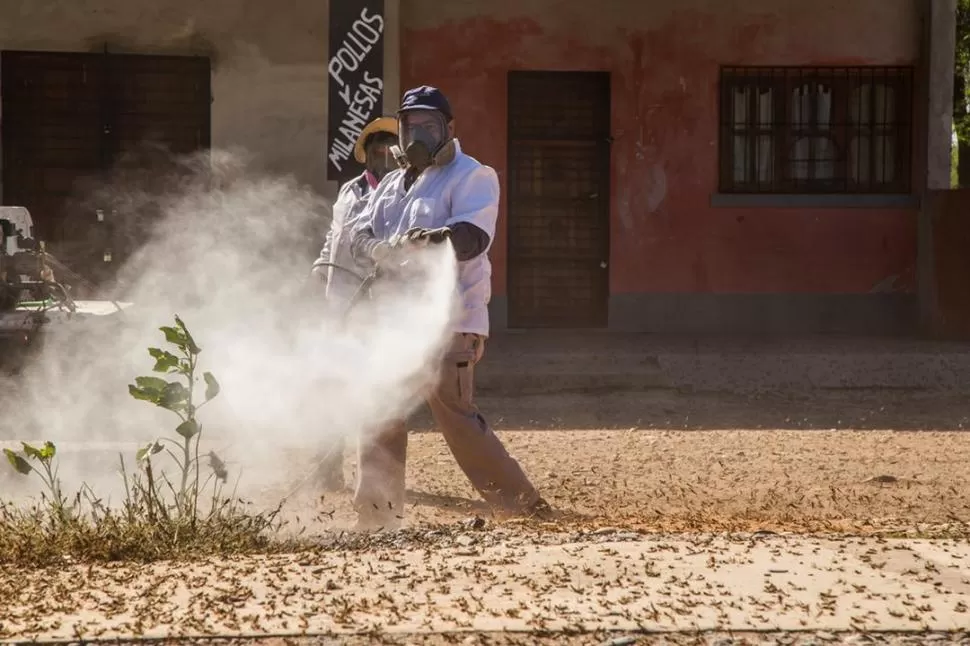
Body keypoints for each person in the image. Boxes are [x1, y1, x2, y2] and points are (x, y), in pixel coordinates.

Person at [349, 85, 551, 529]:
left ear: (449, 129)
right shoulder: (391, 185)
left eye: (429, 125)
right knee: (379, 411)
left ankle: (525, 509)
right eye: (410, 125)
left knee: (455, 418)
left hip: (450, 319)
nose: (417, 133)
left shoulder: (472, 175)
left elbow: (473, 238)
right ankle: (376, 518)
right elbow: (357, 233)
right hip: (395, 322)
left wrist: (428, 240)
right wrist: (378, 249)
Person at [306, 115, 399, 492]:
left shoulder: (399, 196)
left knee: (372, 391)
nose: (383, 153)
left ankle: (374, 476)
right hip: (339, 302)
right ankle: (327, 469)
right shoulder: (349, 191)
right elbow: (336, 235)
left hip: (376, 307)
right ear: (367, 154)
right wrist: (319, 266)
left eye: (389, 146)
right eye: (376, 146)